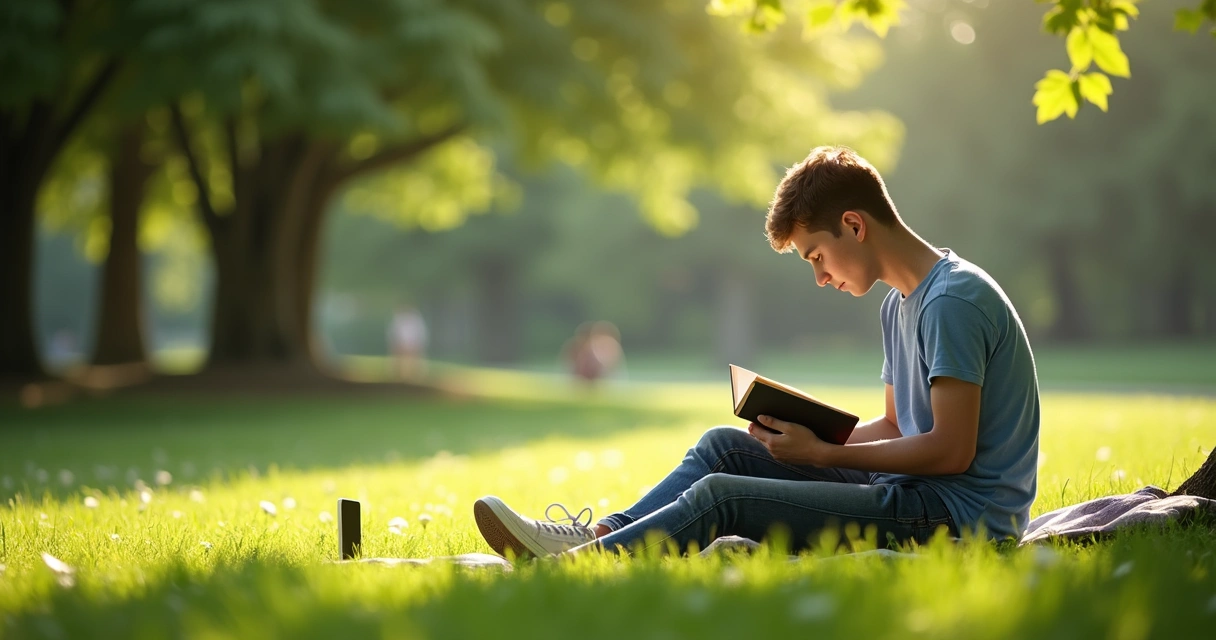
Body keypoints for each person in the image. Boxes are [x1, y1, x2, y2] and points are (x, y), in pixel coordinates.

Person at [472, 146, 1040, 557]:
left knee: (724, 496)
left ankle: (583, 568)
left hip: (959, 519)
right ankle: (599, 535)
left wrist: (825, 457)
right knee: (724, 447)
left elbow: (950, 451)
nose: (819, 276)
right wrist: (813, 435)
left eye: (816, 255)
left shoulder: (954, 301)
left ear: (853, 225)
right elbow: (895, 423)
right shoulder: (900, 303)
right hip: (912, 493)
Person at [387, 305, 428, 379]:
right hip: (401, 348)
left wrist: (413, 347)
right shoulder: (398, 319)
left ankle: (415, 377)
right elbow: (393, 337)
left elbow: (421, 337)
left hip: (414, 348)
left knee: (416, 362)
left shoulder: (416, 319)